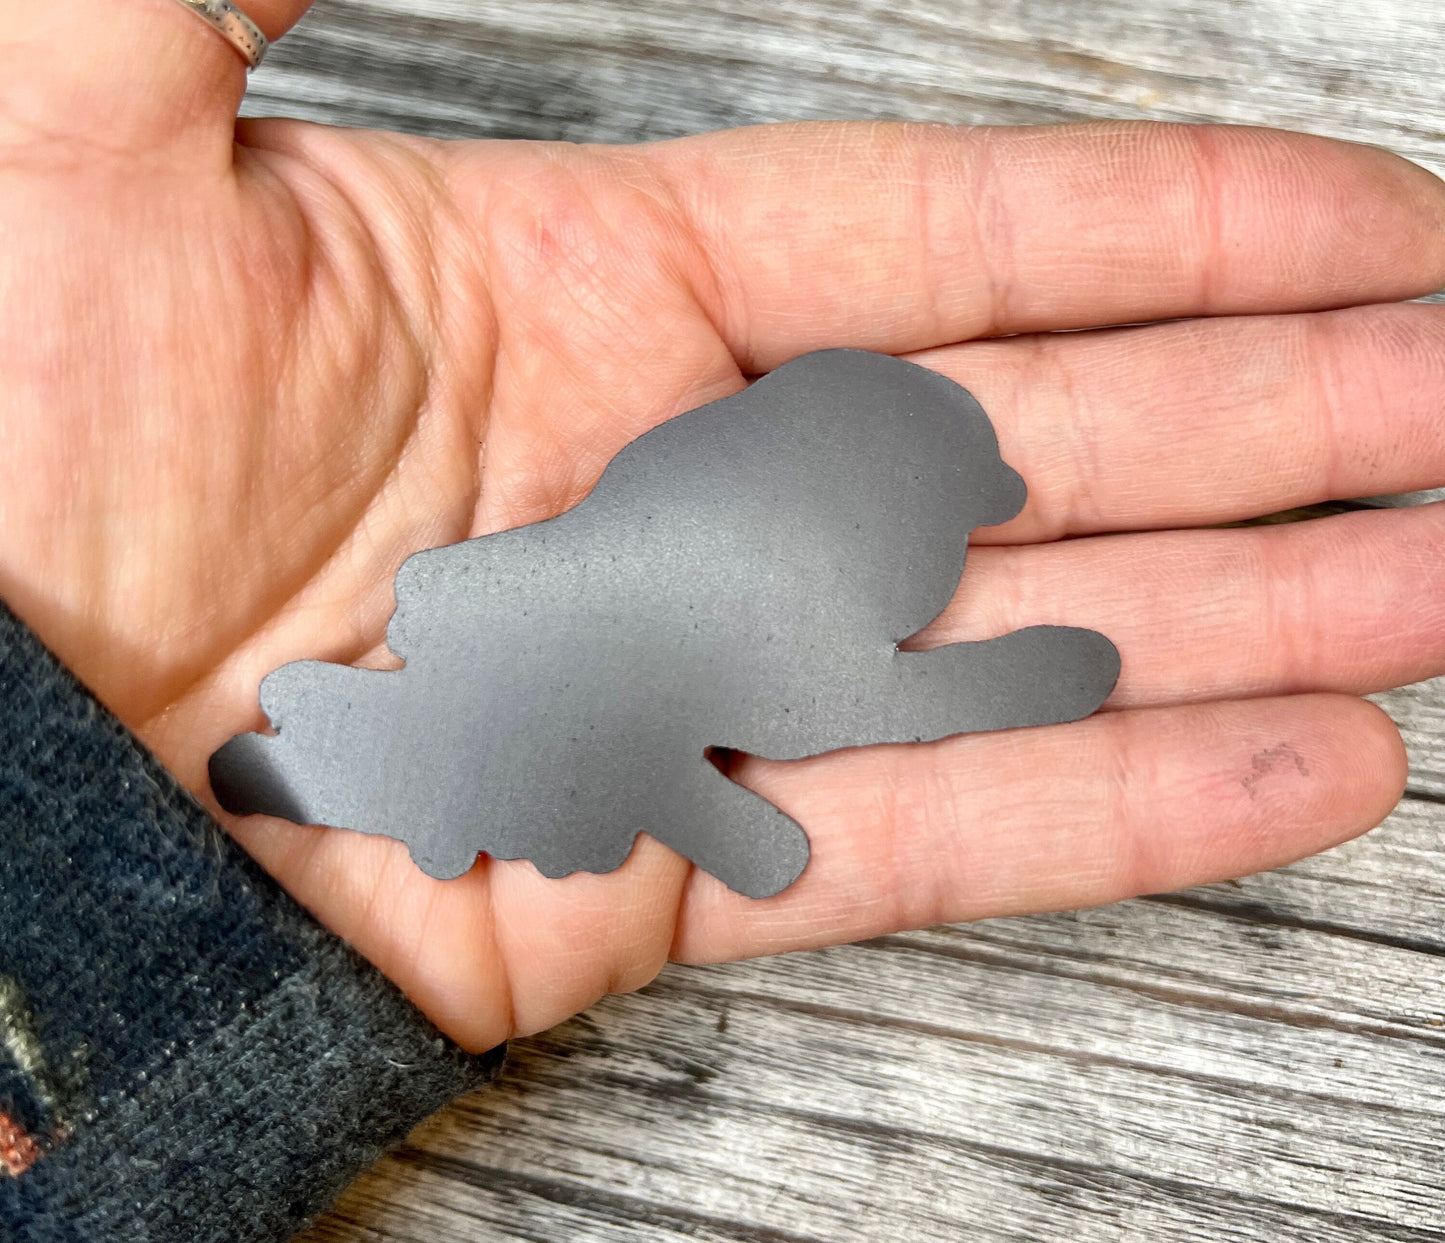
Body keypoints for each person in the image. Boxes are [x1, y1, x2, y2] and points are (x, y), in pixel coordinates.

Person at [2, 0, 1443, 1238]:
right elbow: (814, 705)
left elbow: (836, 705)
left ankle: (351, 766)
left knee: (532, 760)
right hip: (488, 693)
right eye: (939, 517)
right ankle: (352, 762)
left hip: (471, 726)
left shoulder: (773, 610)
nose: (941, 550)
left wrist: (994, 677)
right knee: (515, 755)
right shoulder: (726, 575)